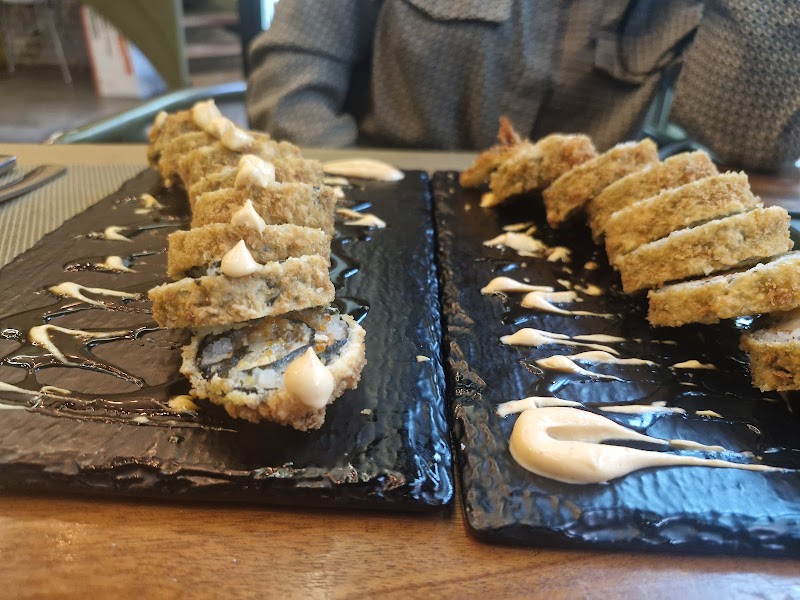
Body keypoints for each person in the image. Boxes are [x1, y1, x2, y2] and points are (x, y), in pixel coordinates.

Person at [246, 0, 800, 172]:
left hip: (581, 241)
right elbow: (291, 86)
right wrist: (357, 198)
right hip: (390, 201)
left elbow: (750, 146)